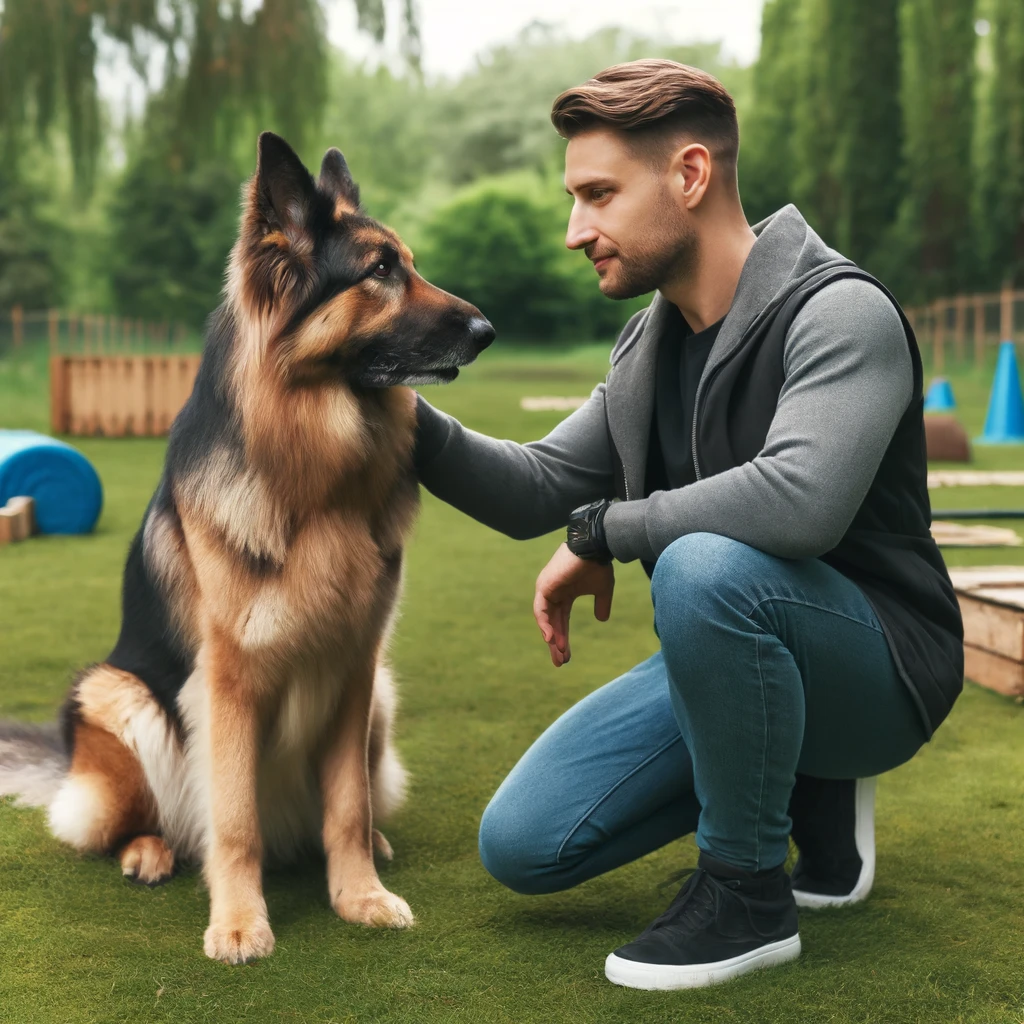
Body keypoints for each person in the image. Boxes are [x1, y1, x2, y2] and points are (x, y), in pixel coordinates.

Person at [412, 59, 964, 991]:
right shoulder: (648, 345)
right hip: (742, 641)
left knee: (702, 566)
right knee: (524, 843)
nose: (574, 230)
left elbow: (798, 499)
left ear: (691, 175)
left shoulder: (840, 311)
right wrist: (395, 405)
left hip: (885, 663)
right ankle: (797, 773)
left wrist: (605, 532)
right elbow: (535, 486)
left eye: (598, 195)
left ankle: (747, 894)